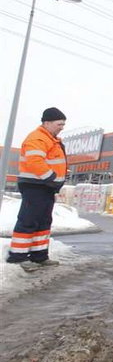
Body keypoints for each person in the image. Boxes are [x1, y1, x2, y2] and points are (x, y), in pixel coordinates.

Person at [6, 107, 68, 272]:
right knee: (29, 220)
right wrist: (52, 178)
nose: (62, 127)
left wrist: (54, 182)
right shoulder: (38, 138)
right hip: (36, 186)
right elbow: (34, 162)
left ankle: (39, 256)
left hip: (45, 187)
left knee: (43, 222)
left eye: (63, 124)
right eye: (59, 124)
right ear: (47, 123)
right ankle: (17, 257)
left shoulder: (52, 139)